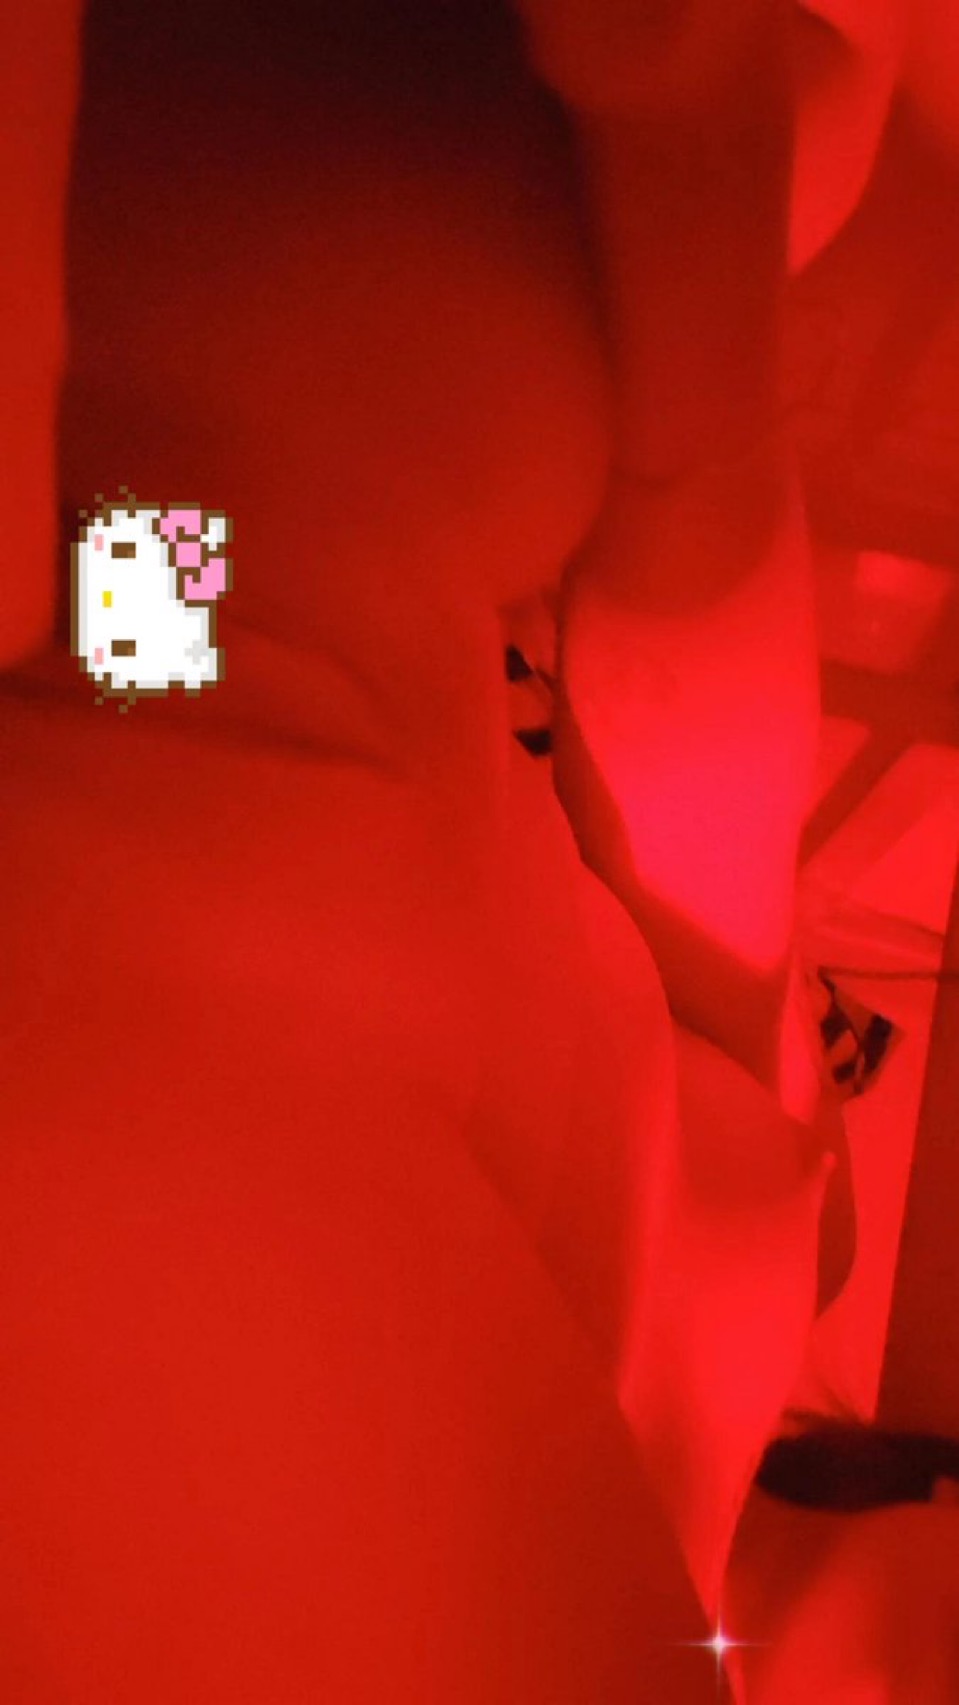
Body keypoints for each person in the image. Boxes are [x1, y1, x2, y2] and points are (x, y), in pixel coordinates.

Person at [0, 0, 924, 1698]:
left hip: (203, 540)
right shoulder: (746, 1293)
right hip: (262, 511)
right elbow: (703, 844)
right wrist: (693, 159)